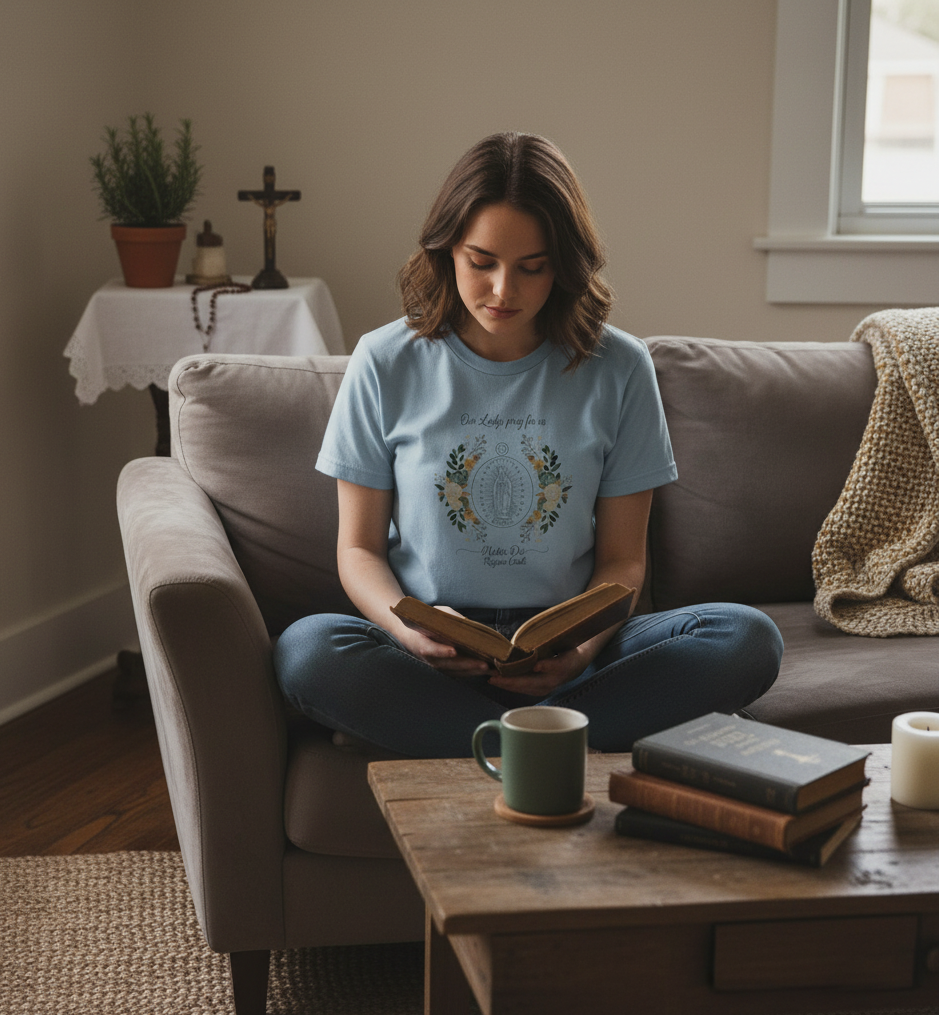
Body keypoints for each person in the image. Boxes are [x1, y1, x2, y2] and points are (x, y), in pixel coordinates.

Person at [274, 132, 782, 757]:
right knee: (309, 649)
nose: (503, 291)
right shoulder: (384, 362)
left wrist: (582, 649)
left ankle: (468, 740)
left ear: (563, 265)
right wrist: (407, 631)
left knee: (746, 638)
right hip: (430, 653)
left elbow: (624, 562)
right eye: (480, 262)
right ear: (446, 252)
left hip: (570, 652)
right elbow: (357, 549)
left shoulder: (618, 367)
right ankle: (549, 743)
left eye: (532, 267)